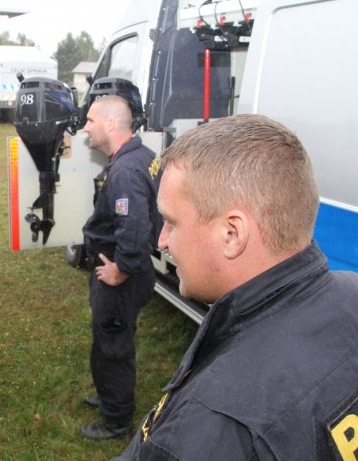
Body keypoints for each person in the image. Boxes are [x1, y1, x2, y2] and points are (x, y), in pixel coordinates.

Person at [113, 114, 358, 460]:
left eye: (171, 222)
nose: (162, 240)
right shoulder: (352, 292)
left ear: (232, 234)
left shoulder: (211, 426)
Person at [79, 95, 161, 440]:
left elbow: (136, 227)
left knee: (113, 345)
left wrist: (121, 270)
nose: (85, 128)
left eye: (91, 121)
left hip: (122, 276)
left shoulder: (125, 170)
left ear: (111, 124)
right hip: (127, 270)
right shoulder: (141, 155)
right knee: (111, 337)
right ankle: (108, 393)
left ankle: (116, 419)